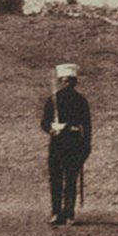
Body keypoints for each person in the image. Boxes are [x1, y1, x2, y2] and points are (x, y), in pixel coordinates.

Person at [41, 63, 92, 225]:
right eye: (65, 81)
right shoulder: (53, 100)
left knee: (71, 179)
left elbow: (87, 125)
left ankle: (69, 214)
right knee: (56, 179)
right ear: (60, 81)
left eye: (70, 81)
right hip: (57, 142)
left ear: (75, 82)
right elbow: (44, 122)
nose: (67, 84)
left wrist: (86, 146)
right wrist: (52, 128)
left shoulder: (81, 101)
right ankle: (56, 213)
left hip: (74, 142)